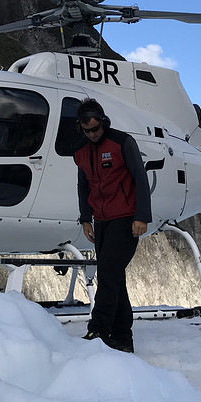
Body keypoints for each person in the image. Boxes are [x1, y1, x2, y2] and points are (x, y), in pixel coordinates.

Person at [72, 97, 151, 353]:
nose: (93, 134)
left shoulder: (122, 142)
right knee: (115, 278)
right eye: (88, 131)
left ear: (104, 123)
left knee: (107, 276)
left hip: (126, 220)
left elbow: (140, 177)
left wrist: (142, 216)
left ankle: (98, 330)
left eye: (96, 129)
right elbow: (83, 186)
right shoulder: (81, 152)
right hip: (101, 222)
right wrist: (85, 218)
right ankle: (122, 338)